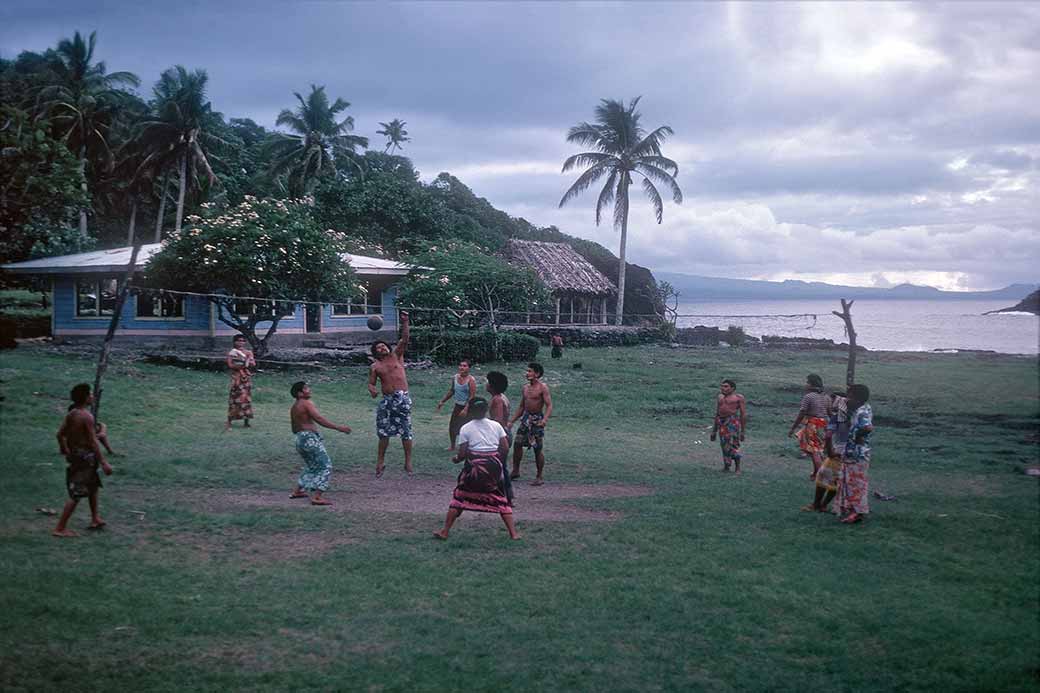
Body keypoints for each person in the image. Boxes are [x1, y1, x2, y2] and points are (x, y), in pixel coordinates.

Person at [434, 398, 520, 541]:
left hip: (474, 466)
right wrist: (495, 458)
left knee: (460, 496)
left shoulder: (466, 428)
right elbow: (505, 447)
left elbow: (462, 454)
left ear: (471, 411)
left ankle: (445, 532)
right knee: (500, 497)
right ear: (486, 410)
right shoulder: (496, 425)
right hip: (493, 465)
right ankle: (513, 534)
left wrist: (456, 459)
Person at [53, 384, 113, 537]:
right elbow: (93, 442)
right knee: (77, 494)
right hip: (85, 458)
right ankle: (60, 528)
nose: (93, 396)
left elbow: (60, 435)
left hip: (77, 456)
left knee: (93, 487)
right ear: (86, 397)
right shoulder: (87, 416)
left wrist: (65, 449)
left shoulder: (72, 413)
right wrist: (104, 463)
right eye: (91, 394)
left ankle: (95, 518)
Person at [289, 381, 351, 506]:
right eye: (306, 388)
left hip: (299, 438)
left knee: (312, 466)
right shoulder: (306, 403)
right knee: (325, 465)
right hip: (309, 438)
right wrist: (338, 428)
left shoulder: (295, 406)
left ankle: (297, 491)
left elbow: (294, 427)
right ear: (300, 393)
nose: (309, 390)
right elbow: (319, 419)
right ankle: (317, 497)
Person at [368, 310, 413, 477]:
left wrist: (405, 322)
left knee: (406, 431)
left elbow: (405, 339)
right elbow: (371, 384)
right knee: (384, 432)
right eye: (379, 347)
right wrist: (372, 390)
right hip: (387, 401)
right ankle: (380, 461)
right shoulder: (375, 366)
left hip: (402, 398)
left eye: (384, 345)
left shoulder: (397, 356)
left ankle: (408, 461)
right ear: (376, 352)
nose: (382, 347)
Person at [802, 391, 849, 513]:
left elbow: (828, 436)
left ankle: (817, 504)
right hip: (850, 452)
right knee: (836, 479)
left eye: (830, 400)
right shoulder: (853, 414)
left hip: (837, 451)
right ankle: (823, 505)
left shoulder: (838, 416)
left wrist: (830, 451)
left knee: (823, 476)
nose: (827, 403)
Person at [508, 362, 552, 486]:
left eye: (530, 371)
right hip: (525, 420)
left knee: (537, 448)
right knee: (517, 444)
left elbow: (549, 405)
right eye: (527, 371)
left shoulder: (543, 388)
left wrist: (544, 420)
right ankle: (516, 471)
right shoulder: (525, 388)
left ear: (537, 374)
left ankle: (539, 476)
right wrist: (512, 420)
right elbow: (522, 406)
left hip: (537, 420)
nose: (527, 374)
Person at [836, 384, 874, 524]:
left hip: (858, 453)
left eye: (850, 396)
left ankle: (857, 512)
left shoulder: (862, 412)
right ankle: (851, 509)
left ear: (857, 398)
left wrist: (858, 437)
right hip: (853, 452)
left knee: (857, 483)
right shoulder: (862, 408)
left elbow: (868, 427)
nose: (847, 398)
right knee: (849, 481)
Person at [788, 373, 829, 479]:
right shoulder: (826, 397)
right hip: (823, 424)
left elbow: (802, 413)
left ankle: (821, 475)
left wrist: (793, 428)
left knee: (814, 451)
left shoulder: (808, 397)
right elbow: (829, 412)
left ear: (811, 385)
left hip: (812, 424)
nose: (805, 385)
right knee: (818, 450)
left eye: (807, 382)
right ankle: (816, 474)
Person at [436, 359, 477, 450]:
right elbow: (452, 391)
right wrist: (442, 401)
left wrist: (466, 409)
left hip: (468, 407)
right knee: (452, 425)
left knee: (467, 427)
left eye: (464, 366)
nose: (462, 367)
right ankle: (452, 445)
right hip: (458, 405)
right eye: (460, 365)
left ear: (469, 368)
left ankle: (469, 446)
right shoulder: (455, 377)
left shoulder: (471, 380)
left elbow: (472, 396)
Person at [486, 370, 513, 503]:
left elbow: (498, 421)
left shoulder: (497, 400)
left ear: (492, 386)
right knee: (501, 466)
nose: (485, 385)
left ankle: (505, 496)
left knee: (499, 466)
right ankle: (506, 496)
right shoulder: (502, 397)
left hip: (500, 436)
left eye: (487, 382)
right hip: (504, 434)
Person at [710, 379, 747, 473]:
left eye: (726, 386)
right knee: (724, 445)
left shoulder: (738, 397)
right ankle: (727, 466)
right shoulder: (720, 397)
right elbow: (717, 413)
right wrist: (714, 431)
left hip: (732, 422)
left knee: (734, 444)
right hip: (721, 422)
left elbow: (743, 414)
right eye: (722, 386)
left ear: (733, 388)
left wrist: (743, 431)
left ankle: (737, 468)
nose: (723, 388)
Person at [226, 335, 256, 430]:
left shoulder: (248, 352)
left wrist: (247, 362)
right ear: (234, 342)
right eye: (239, 340)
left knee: (246, 399)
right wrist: (241, 365)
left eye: (243, 340)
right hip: (236, 378)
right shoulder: (232, 352)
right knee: (234, 399)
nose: (241, 342)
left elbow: (253, 363)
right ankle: (229, 421)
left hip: (245, 378)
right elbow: (230, 364)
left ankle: (246, 422)